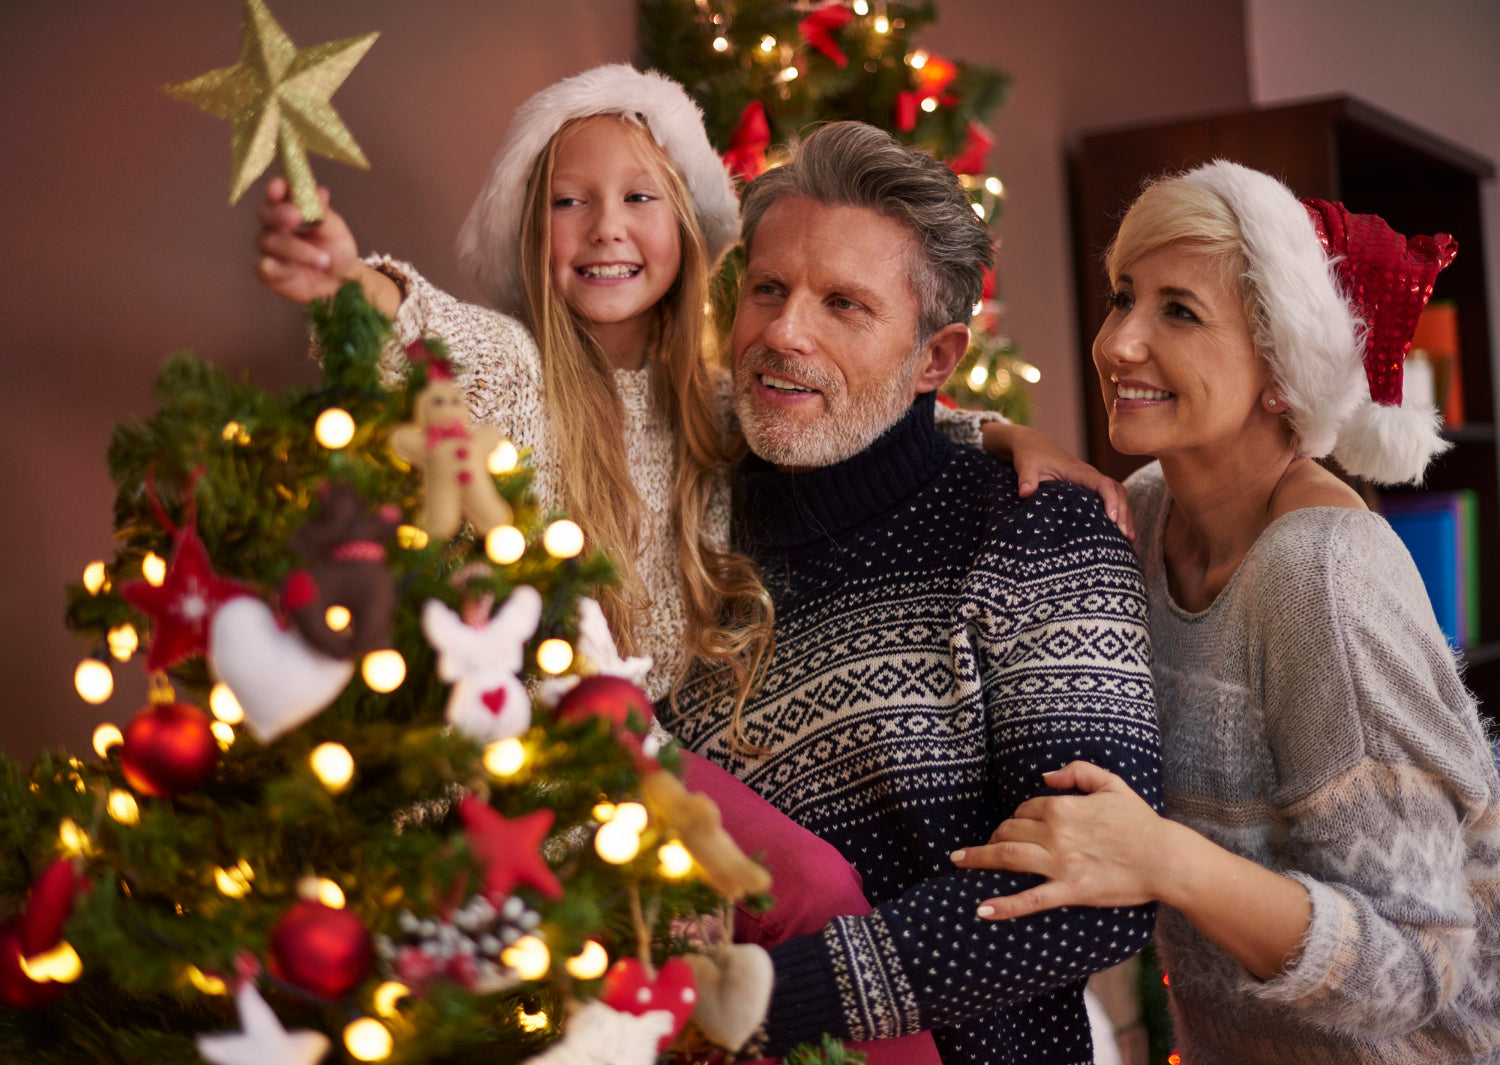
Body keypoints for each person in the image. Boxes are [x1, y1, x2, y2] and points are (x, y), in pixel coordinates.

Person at [253, 63, 1128, 711]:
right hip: (514, 761)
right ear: (530, 231)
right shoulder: (511, 371)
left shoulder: (719, 410)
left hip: (656, 796)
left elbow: (864, 402)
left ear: (689, 231)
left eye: (639, 198)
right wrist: (340, 276)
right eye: (568, 202)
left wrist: (1007, 436)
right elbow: (418, 331)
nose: (606, 229)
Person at [952, 160, 1500, 1063]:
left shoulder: (1322, 575)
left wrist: (1163, 858)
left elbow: (1415, 968)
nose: (1118, 341)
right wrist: (1005, 433)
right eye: (1123, 295)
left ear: (1285, 369)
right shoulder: (1149, 509)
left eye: (1179, 310)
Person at [658, 121, 1163, 1064]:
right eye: (768, 288)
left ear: (934, 360)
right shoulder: (676, 514)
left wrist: (762, 999)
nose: (782, 330)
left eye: (843, 305)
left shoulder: (1040, 533)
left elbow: (1093, 884)